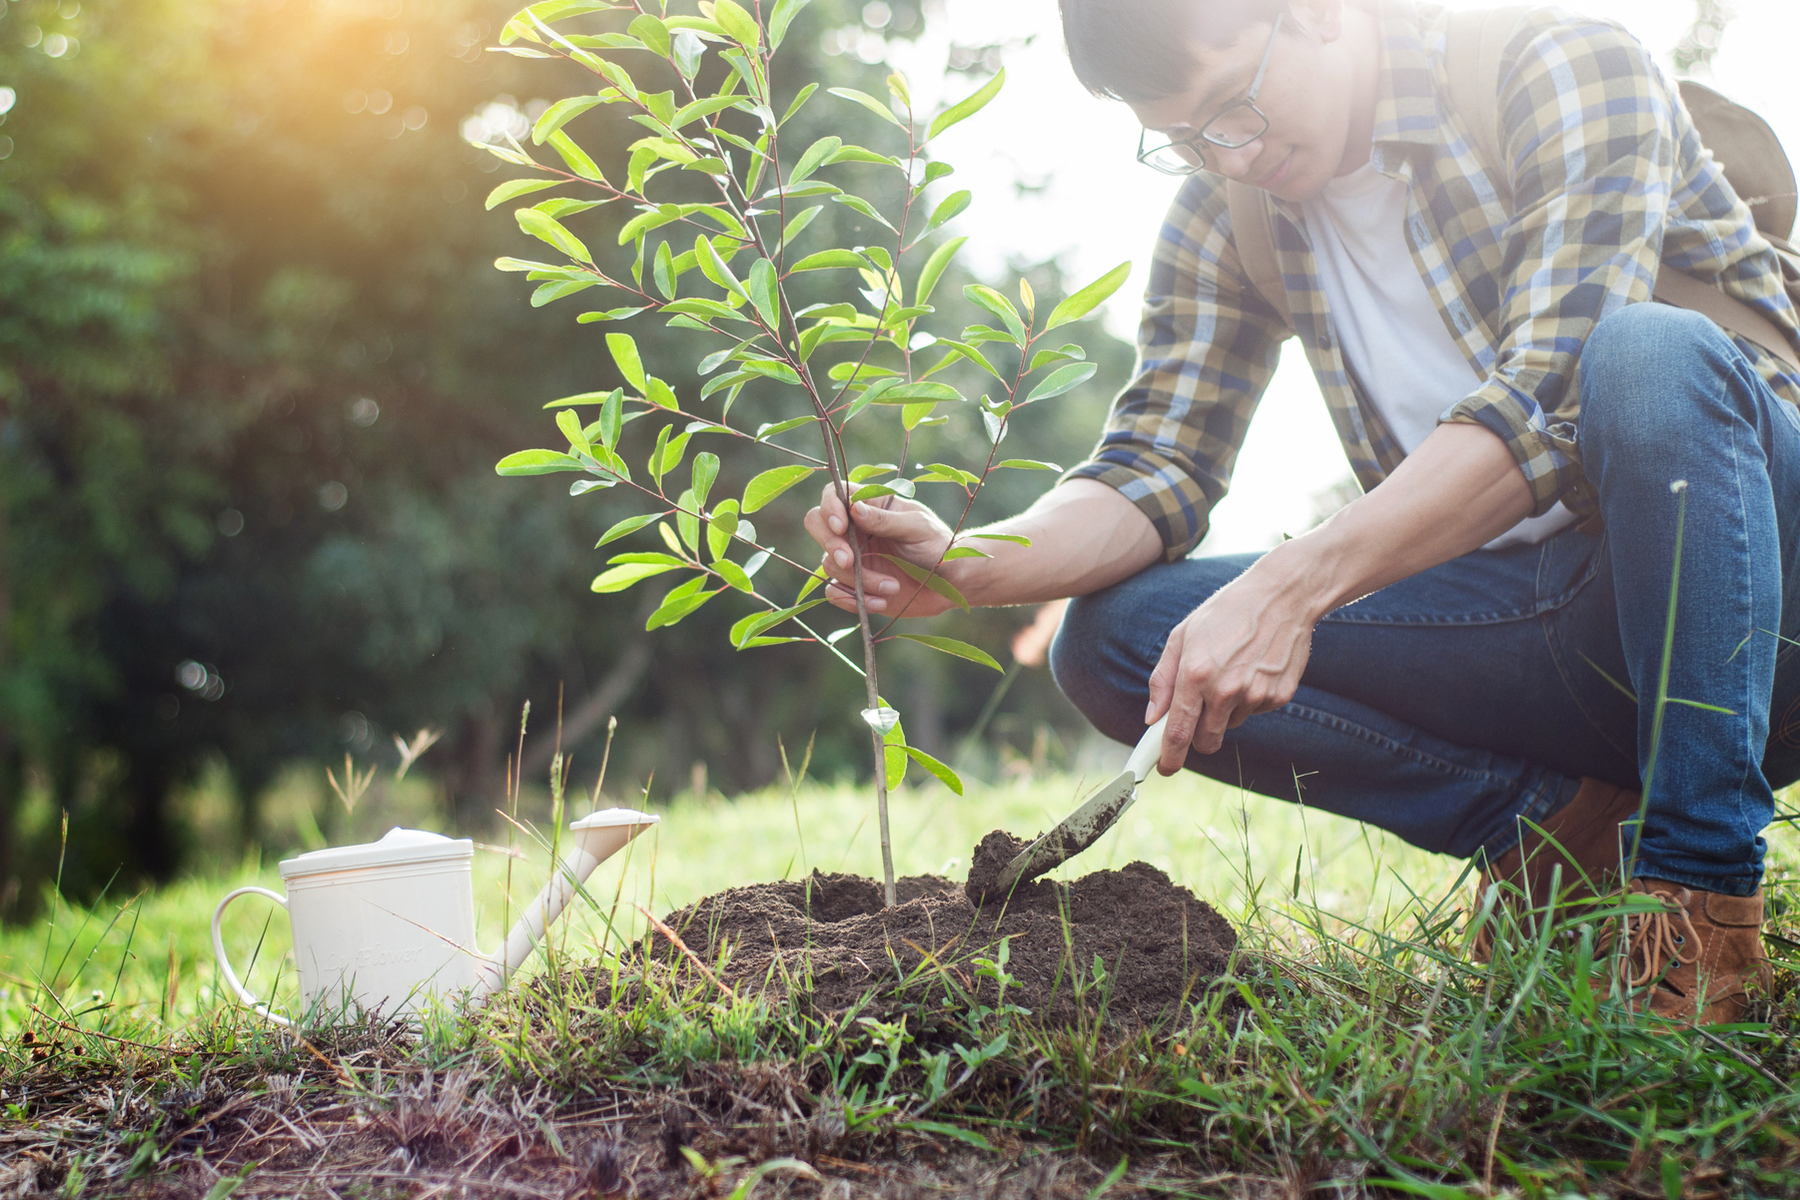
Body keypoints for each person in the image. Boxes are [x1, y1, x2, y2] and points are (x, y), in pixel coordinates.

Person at [804, 0, 1797, 1025]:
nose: (1227, 155)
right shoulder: (1226, 211)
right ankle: (1562, 840)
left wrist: (1293, 584)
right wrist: (966, 563)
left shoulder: (1559, 67)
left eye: (1232, 105)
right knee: (1118, 641)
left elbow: (1549, 398)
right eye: (1184, 138)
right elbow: (1155, 464)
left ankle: (1698, 903)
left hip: (1761, 604)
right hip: (1556, 630)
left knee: (1646, 353)